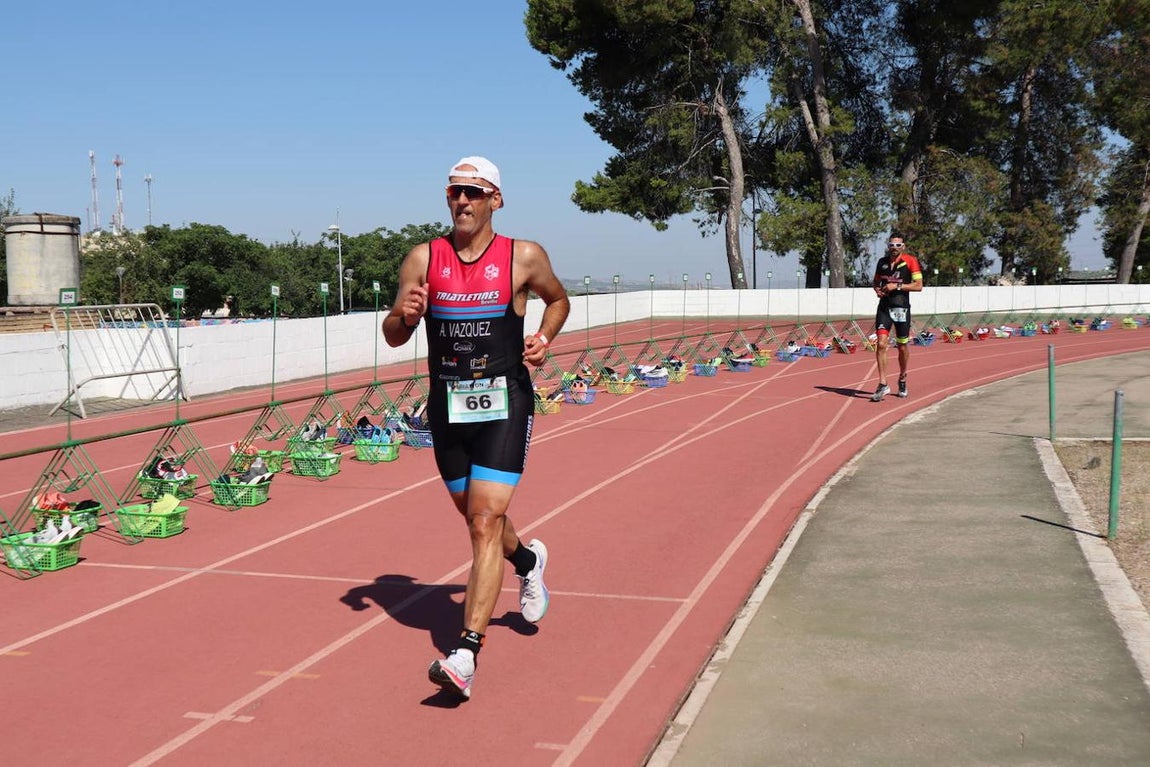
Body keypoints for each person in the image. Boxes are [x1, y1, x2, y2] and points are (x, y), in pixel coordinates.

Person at [382, 156, 571, 700]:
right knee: (479, 517)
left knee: (485, 521)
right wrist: (407, 315)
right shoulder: (424, 258)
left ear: (495, 199)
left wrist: (544, 337)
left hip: (504, 400)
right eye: (454, 193)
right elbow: (394, 334)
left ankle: (465, 652)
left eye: (473, 192)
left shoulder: (523, 256)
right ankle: (529, 560)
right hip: (447, 406)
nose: (462, 201)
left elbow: (558, 300)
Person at [870, 235, 923, 401]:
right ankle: (883, 384)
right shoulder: (882, 262)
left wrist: (897, 286)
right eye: (892, 244)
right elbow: (876, 282)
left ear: (903, 246)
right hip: (884, 308)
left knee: (902, 346)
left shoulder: (910, 261)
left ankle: (902, 377)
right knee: (881, 344)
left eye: (898, 244)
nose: (894, 247)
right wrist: (877, 290)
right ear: (888, 246)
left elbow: (918, 286)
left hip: (901, 309)